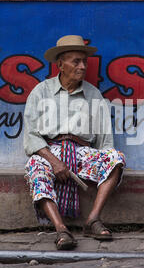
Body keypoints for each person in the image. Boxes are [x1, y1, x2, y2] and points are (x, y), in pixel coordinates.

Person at [23, 35, 125, 250]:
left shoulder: (93, 94)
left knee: (115, 158)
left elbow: (105, 140)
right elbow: (31, 136)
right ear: (60, 64)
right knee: (35, 167)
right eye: (76, 61)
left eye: (84, 61)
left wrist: (100, 162)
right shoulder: (41, 92)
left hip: (81, 151)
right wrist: (55, 161)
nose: (82, 66)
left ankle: (93, 220)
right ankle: (61, 229)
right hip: (49, 151)